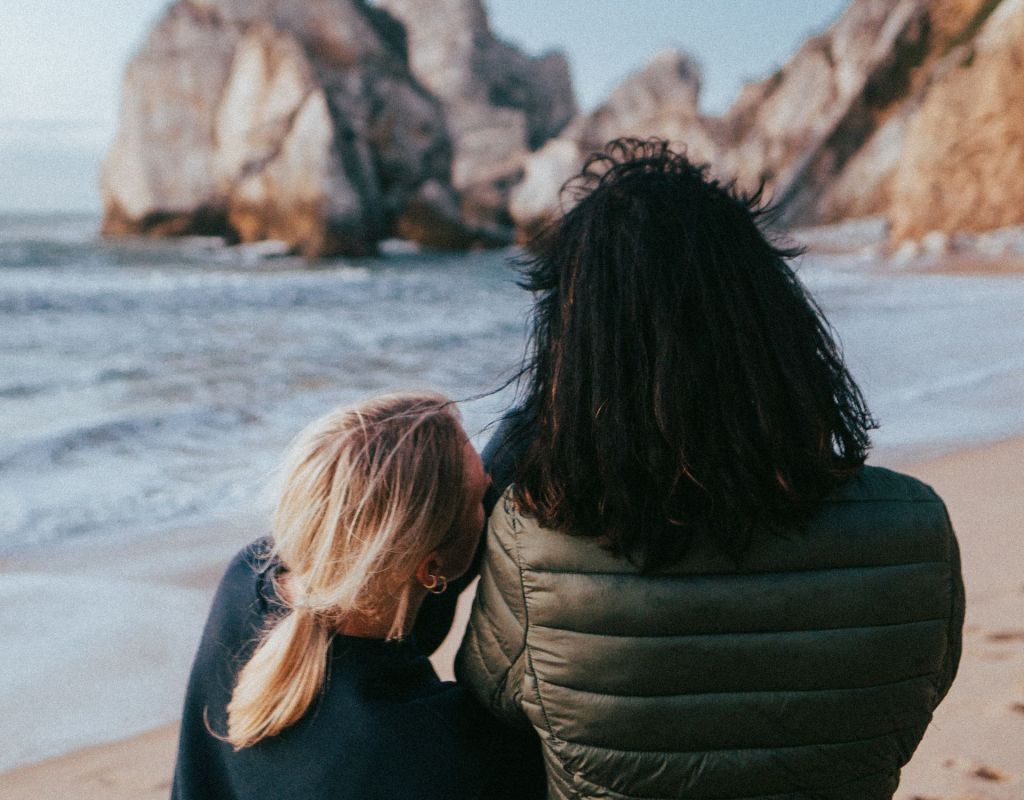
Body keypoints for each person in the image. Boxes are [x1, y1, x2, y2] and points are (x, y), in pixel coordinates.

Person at [455, 139, 965, 799]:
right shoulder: (915, 529)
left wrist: (509, 459)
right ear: (779, 322)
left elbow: (481, 707)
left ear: (576, 355)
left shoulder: (533, 545)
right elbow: (922, 688)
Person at [171, 392, 543, 800]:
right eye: (479, 501)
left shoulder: (246, 578)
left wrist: (535, 415)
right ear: (429, 569)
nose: (489, 501)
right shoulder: (432, 745)